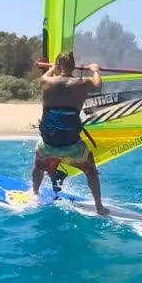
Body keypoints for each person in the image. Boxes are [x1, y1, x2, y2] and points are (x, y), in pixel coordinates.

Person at [31, 50, 105, 215]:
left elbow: (48, 75)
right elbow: (98, 86)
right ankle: (99, 207)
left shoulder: (46, 81)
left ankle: (34, 193)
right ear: (73, 66)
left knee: (38, 163)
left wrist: (52, 67)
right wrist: (95, 70)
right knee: (91, 170)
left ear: (58, 66)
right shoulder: (82, 83)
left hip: (48, 143)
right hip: (72, 144)